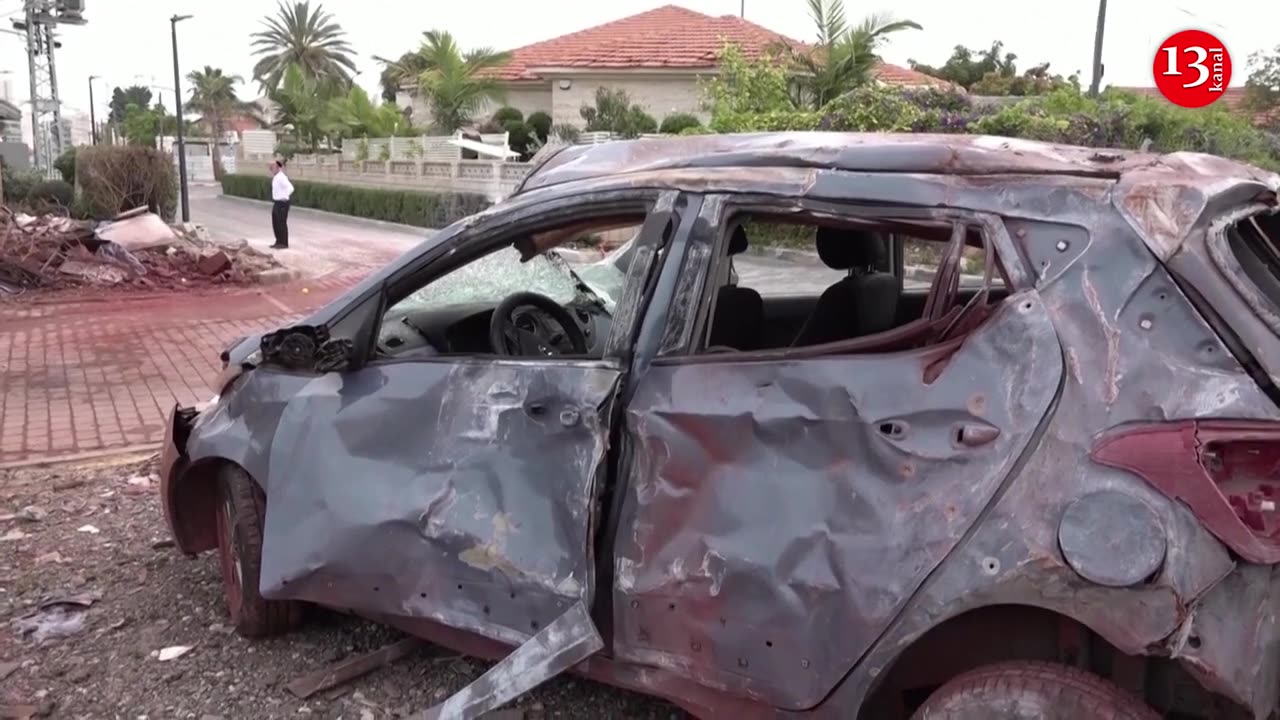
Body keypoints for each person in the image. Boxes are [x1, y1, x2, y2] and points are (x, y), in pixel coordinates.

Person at [269, 158, 294, 249]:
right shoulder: (276, 177)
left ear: (277, 168)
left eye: (273, 168)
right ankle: (278, 241)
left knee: (281, 223)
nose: (271, 170)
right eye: (271, 168)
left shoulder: (281, 177)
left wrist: (284, 196)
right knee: (275, 222)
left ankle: (283, 243)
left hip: (282, 203)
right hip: (277, 202)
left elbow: (291, 188)